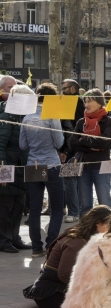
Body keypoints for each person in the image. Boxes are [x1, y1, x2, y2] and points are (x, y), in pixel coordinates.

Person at [23, 205, 111, 308]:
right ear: (98, 223)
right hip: (51, 294)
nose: (110, 230)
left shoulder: (85, 237)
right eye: (109, 226)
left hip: (59, 288)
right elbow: (65, 275)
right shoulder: (77, 242)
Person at [20, 83, 65, 258]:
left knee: (34, 209)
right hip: (51, 164)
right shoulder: (52, 116)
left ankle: (36, 247)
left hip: (33, 163)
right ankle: (51, 245)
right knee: (56, 207)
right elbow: (59, 142)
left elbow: (23, 145)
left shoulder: (26, 117)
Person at [69, 89, 111, 216]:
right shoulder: (81, 122)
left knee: (104, 202)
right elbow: (73, 143)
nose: (87, 105)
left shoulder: (108, 121)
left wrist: (83, 140)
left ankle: (110, 230)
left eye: (90, 101)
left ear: (100, 102)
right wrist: (90, 145)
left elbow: (104, 143)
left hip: (102, 166)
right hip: (83, 166)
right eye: (85, 101)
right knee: (85, 205)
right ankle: (85, 231)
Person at [0, 85, 33, 253]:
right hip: (8, 166)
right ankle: (4, 240)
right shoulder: (6, 116)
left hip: (21, 166)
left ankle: (14, 238)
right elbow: (1, 145)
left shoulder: (23, 117)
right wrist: (3, 172)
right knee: (5, 206)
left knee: (19, 204)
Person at [60, 80, 85, 223]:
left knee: (71, 180)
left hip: (73, 147)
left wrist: (66, 149)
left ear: (73, 88)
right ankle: (76, 210)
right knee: (70, 180)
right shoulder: (65, 101)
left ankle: (75, 211)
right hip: (68, 146)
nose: (62, 91)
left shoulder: (78, 103)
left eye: (65, 88)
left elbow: (71, 129)